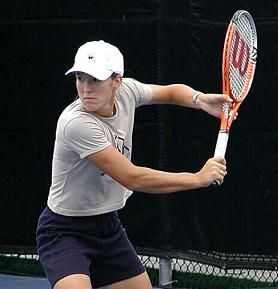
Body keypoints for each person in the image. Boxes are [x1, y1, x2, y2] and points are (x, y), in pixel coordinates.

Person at [36, 40, 231, 289]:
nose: (85, 88)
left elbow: (170, 92)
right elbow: (133, 178)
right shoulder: (76, 123)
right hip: (64, 231)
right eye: (80, 78)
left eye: (94, 80)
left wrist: (200, 99)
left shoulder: (127, 91)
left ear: (116, 80)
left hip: (106, 226)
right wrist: (197, 178)